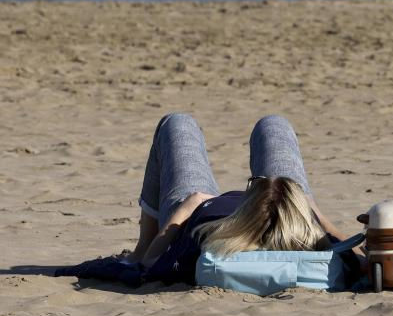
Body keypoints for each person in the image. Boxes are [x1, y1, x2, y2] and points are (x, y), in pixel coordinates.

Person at [57, 113, 356, 285]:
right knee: (273, 125)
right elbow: (352, 246)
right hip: (285, 207)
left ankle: (136, 247)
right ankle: (290, 195)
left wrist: (188, 209)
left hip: (204, 207)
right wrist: (313, 211)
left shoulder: (211, 241)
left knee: (177, 123)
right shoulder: (311, 239)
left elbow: (151, 262)